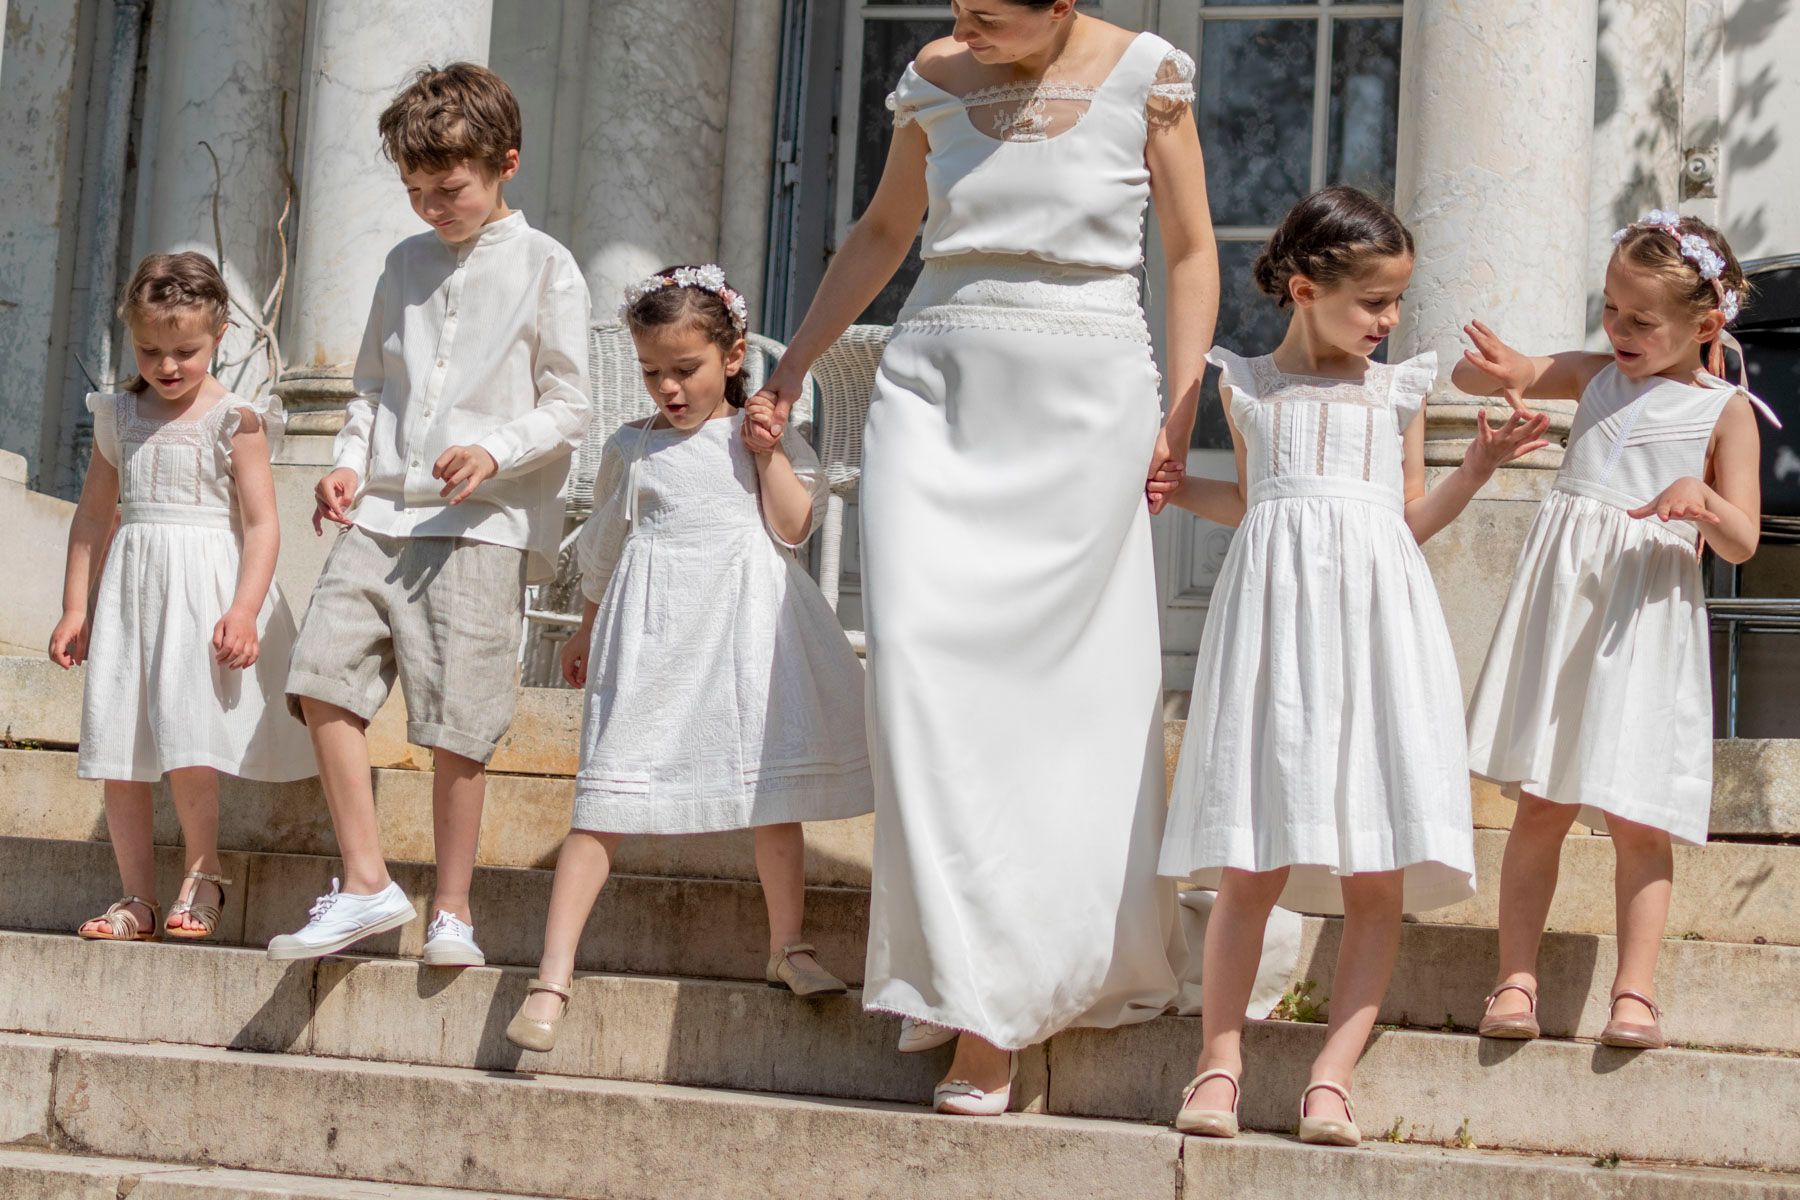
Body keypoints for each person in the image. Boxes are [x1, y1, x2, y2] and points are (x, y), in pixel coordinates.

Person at [749, 0, 1221, 1115]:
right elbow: (879, 234)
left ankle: (1009, 992)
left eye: (994, 14)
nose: (969, 25)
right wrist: (793, 369)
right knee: (920, 677)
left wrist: (1183, 411)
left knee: (1064, 704)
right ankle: (961, 971)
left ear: (1064, 5)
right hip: (937, 389)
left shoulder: (1150, 73)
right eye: (960, 5)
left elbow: (1195, 250)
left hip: (1086, 396)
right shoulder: (931, 74)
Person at [1160, 187, 1549, 1147]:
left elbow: (1402, 519)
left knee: (1376, 869)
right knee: (1254, 856)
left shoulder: (1398, 390)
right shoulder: (1244, 383)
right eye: (1374, 304)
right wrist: (1168, 490)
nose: (1388, 324)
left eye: (1397, 306)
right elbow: (1260, 503)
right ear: (1303, 288)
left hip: (1379, 631)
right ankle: (1219, 1063)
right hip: (1277, 633)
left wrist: (1477, 471)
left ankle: (1331, 1077)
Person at [268, 62, 590, 965]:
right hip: (380, 517)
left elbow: (570, 405)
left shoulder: (549, 268)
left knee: (458, 721)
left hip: (480, 527)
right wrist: (344, 463)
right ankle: (368, 883)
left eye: (447, 189)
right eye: (415, 192)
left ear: (505, 165)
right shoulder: (401, 265)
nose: (431, 208)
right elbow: (374, 386)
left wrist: (496, 449)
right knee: (320, 680)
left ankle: (453, 909)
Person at [505, 266, 873, 1051]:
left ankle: (788, 945)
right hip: (656, 630)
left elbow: (795, 528)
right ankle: (552, 974)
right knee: (603, 795)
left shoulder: (754, 435)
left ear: (733, 356)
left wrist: (769, 454)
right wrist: (584, 626)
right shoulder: (631, 447)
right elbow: (606, 543)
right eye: (652, 373)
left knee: (770, 787)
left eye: (685, 370)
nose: (668, 389)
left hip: (744, 628)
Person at [1459, 210, 1775, 1052]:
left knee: (1638, 815)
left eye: (1642, 320)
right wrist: (1492, 371)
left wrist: (1703, 501)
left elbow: (1745, 536)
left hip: (1642, 615)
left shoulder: (1723, 412)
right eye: (1610, 310)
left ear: (1706, 323)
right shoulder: (1597, 375)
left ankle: (1635, 992)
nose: (1620, 331)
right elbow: (1511, 371)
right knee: (1541, 801)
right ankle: (1515, 977)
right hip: (1568, 608)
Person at [51, 251, 314, 944]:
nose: (167, 366)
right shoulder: (118, 416)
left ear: (220, 332)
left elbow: (262, 525)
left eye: (185, 351)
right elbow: (90, 516)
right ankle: (135, 895)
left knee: (188, 736)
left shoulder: (236, 419)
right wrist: (77, 605)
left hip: (203, 596)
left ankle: (204, 874)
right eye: (150, 349)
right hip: (132, 596)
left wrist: (244, 609)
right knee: (120, 745)